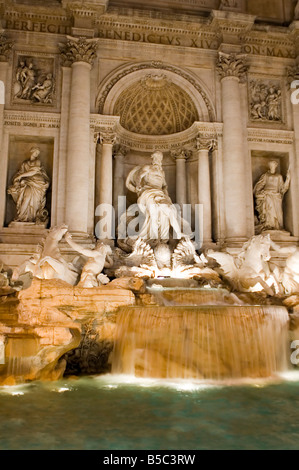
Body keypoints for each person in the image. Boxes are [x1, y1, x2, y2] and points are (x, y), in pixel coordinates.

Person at [125, 151, 191, 244]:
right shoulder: (147, 168)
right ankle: (154, 236)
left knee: (170, 211)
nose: (158, 161)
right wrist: (138, 185)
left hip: (160, 194)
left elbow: (164, 186)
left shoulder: (162, 172)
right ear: (153, 159)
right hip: (148, 192)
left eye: (159, 159)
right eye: (156, 158)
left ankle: (173, 235)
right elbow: (139, 176)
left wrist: (167, 197)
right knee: (153, 211)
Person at [8, 146, 50, 224]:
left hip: (37, 183)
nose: (37, 154)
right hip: (27, 182)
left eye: (38, 153)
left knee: (34, 201)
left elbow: (33, 171)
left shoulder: (38, 162)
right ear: (32, 151)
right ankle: (22, 217)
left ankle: (32, 218)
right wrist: (18, 179)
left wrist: (20, 176)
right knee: (26, 198)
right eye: (36, 152)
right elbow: (20, 172)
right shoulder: (25, 163)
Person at [253, 160, 290, 232]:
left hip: (276, 196)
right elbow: (259, 185)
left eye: (274, 165)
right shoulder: (265, 175)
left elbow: (282, 188)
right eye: (271, 165)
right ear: (269, 166)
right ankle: (268, 225)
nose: (272, 166)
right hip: (267, 194)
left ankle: (276, 226)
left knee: (277, 211)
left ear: (276, 166)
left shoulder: (279, 176)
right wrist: (260, 192)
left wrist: (288, 179)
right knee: (269, 209)